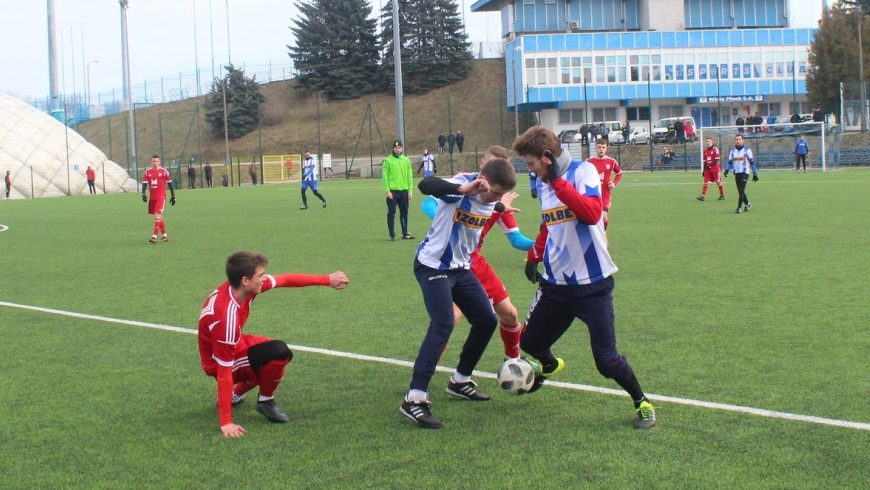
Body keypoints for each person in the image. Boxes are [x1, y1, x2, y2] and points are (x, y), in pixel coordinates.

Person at [512, 125, 657, 430]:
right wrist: (533, 256)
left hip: (593, 286)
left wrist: (559, 183)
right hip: (555, 285)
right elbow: (547, 223)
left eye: (531, 164)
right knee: (530, 341)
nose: (530, 170)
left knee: (606, 362)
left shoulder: (584, 172)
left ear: (547, 157)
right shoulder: (544, 183)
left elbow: (591, 213)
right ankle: (549, 366)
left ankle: (642, 402)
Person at [400, 158, 518, 429]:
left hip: (461, 268)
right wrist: (464, 190)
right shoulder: (458, 189)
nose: (497, 198)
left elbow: (490, 205)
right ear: (483, 181)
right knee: (443, 323)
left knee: (487, 320)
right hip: (432, 266)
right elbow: (425, 184)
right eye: (496, 192)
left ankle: (460, 380)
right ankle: (414, 397)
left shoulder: (491, 201)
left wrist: (500, 205)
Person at [198, 250, 349, 438]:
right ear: (245, 280)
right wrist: (226, 422)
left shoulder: (240, 288)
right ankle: (265, 401)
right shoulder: (225, 317)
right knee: (277, 352)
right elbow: (223, 373)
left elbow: (285, 280)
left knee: (279, 355)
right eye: (260, 276)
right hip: (218, 361)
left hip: (238, 343)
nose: (264, 279)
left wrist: (327, 279)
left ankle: (237, 393)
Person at [420, 146, 534, 364]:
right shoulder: (463, 182)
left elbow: (517, 240)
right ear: (482, 165)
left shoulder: (498, 200)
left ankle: (514, 362)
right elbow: (428, 201)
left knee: (509, 314)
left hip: (475, 262)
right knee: (450, 318)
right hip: (449, 261)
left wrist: (544, 244)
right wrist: (452, 222)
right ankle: (426, 370)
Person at [586, 138, 623, 230]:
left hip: (605, 195)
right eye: (599, 147)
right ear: (595, 148)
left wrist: (614, 183)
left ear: (606, 149)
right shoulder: (588, 162)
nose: (601, 149)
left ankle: (604, 231)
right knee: (592, 218)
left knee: (603, 216)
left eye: (603, 147)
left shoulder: (611, 162)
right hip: (592, 195)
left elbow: (619, 173)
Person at [382, 140, 414, 241]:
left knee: (404, 212)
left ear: (402, 148)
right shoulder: (387, 160)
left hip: (404, 191)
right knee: (391, 213)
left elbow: (410, 177)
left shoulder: (406, 160)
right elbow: (384, 177)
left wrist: (410, 191)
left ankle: (405, 233)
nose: (398, 149)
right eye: (396, 148)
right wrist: (387, 191)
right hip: (392, 191)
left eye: (399, 147)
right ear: (393, 149)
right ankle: (392, 234)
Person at [141, 154, 176, 243]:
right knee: (158, 217)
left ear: (159, 162)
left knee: (157, 215)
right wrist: (143, 194)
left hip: (161, 197)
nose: (155, 163)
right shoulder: (147, 172)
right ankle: (164, 236)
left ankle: (154, 236)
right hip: (152, 197)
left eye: (157, 161)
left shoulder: (164, 171)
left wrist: (173, 196)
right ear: (151, 161)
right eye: (153, 161)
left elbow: (170, 183)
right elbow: (144, 184)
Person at [724, 134, 758, 214]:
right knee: (740, 191)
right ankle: (747, 204)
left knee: (741, 190)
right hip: (737, 173)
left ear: (743, 140)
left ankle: (739, 208)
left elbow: (752, 162)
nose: (738, 141)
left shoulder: (747, 150)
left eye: (739, 139)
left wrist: (755, 173)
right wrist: (726, 170)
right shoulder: (733, 151)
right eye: (737, 139)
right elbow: (729, 162)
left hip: (745, 172)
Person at [697, 137, 725, 201]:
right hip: (708, 170)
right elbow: (705, 162)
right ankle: (702, 196)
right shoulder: (705, 151)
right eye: (707, 141)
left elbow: (717, 159)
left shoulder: (715, 149)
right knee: (706, 182)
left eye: (709, 141)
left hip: (715, 169)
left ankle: (722, 195)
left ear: (712, 142)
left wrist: (711, 165)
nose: (708, 143)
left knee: (718, 182)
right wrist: (704, 171)